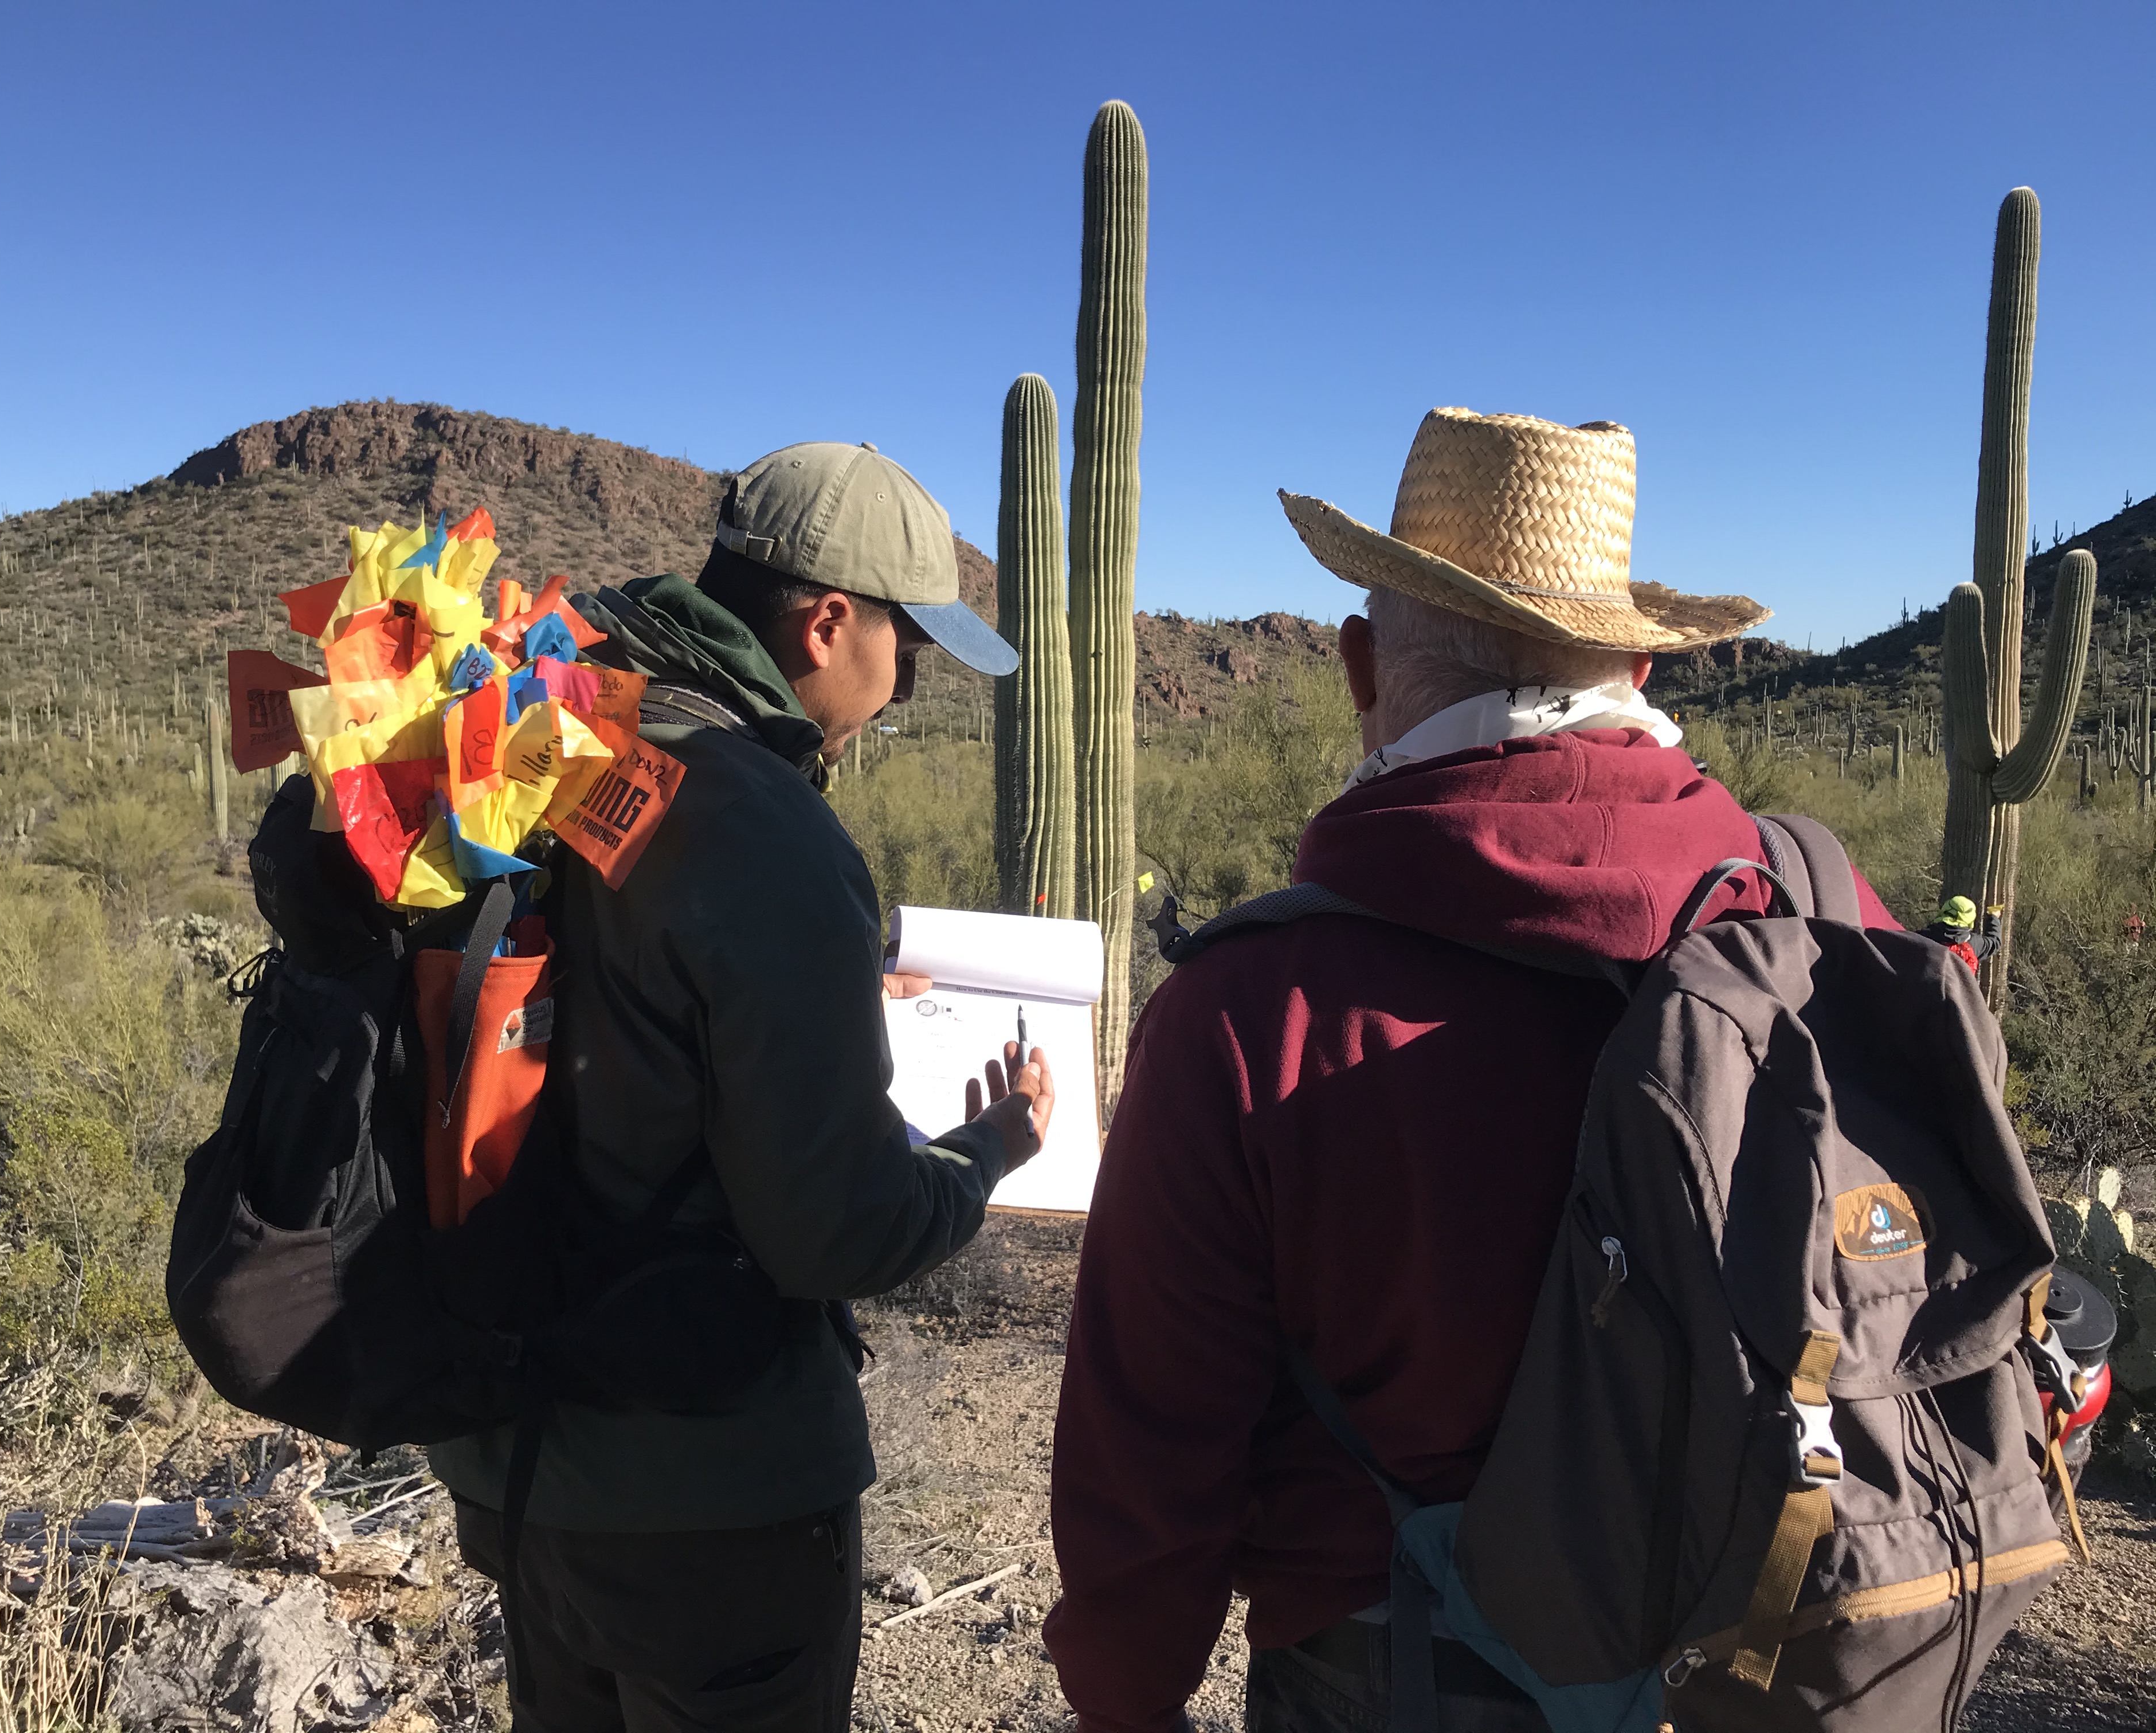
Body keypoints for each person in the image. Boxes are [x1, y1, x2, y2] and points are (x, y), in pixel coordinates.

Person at [1043, 409, 1902, 1732]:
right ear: (1642, 675)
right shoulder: (1831, 916)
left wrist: (1127, 1701)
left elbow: (1145, 1474)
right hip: (1785, 1649)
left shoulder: (1250, 1013)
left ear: (1358, 667)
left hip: (1398, 1677)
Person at [430, 441, 1056, 1732]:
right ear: (829, 623)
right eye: (913, 642)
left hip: (517, 1468)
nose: (915, 679)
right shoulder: (762, 824)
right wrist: (991, 1150)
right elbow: (838, 1227)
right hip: (710, 1501)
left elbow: (610, 1002)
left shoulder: (549, 732)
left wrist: (815, 1003)